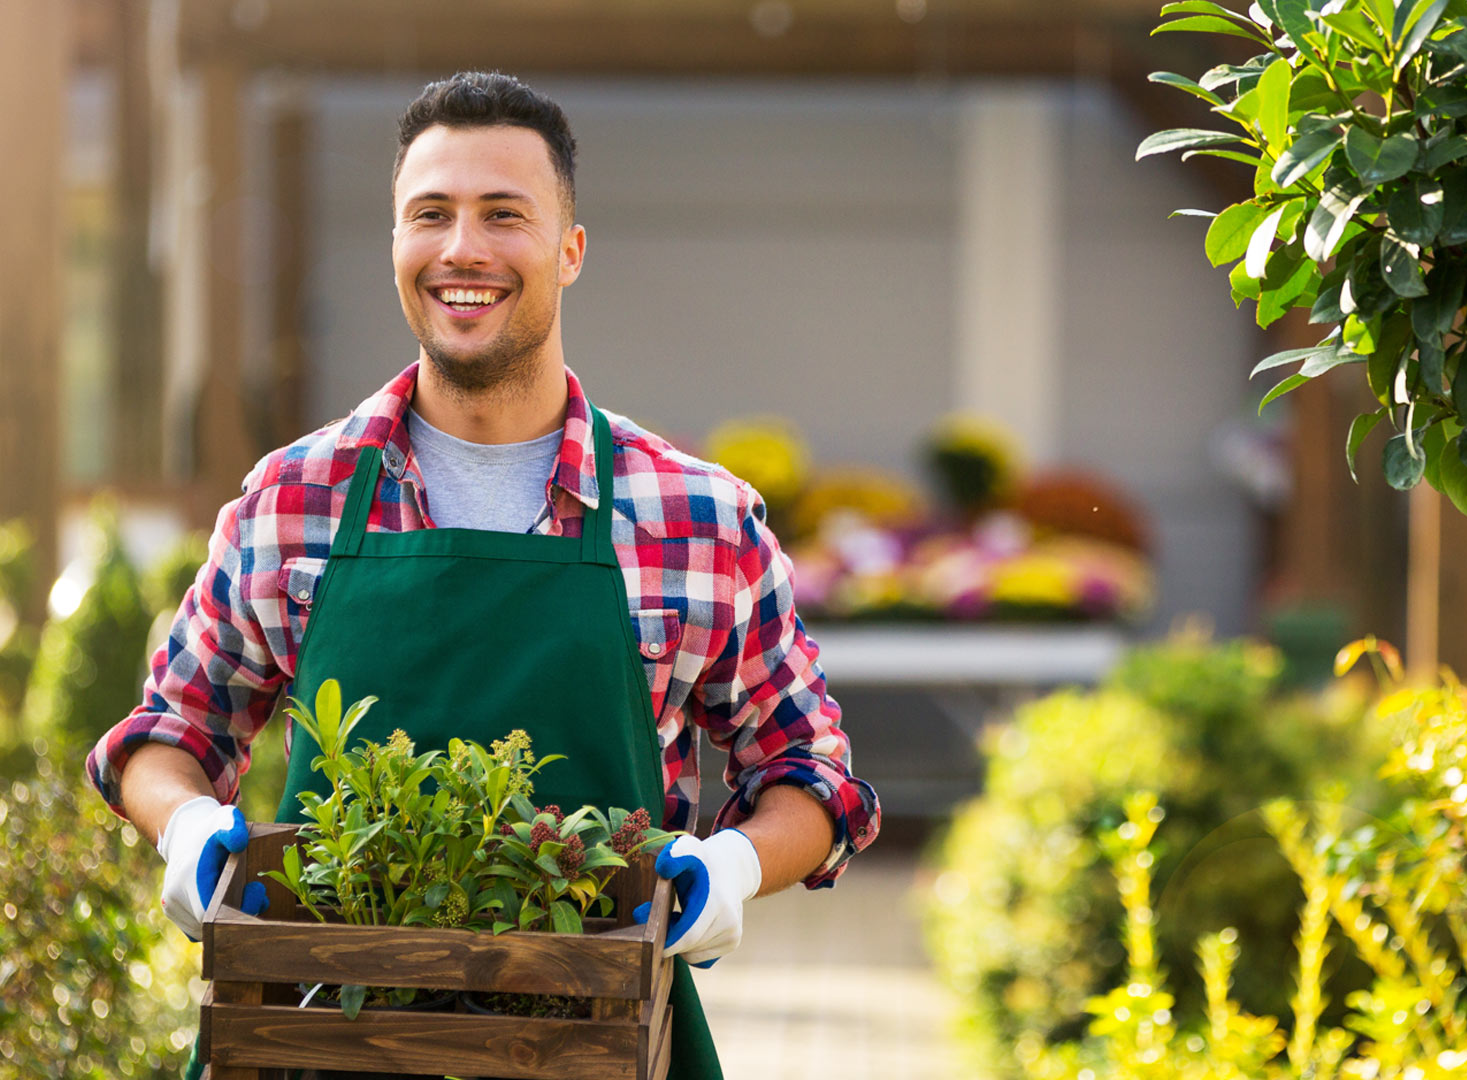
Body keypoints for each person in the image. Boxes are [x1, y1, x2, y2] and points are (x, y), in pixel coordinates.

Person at [85, 71, 879, 1080]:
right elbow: (166, 737)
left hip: (597, 1045)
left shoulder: (698, 517)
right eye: (431, 215)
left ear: (570, 250)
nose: (463, 249)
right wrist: (190, 826)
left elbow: (812, 777)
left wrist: (728, 871)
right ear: (397, 248)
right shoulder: (296, 499)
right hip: (320, 1044)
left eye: (504, 215)